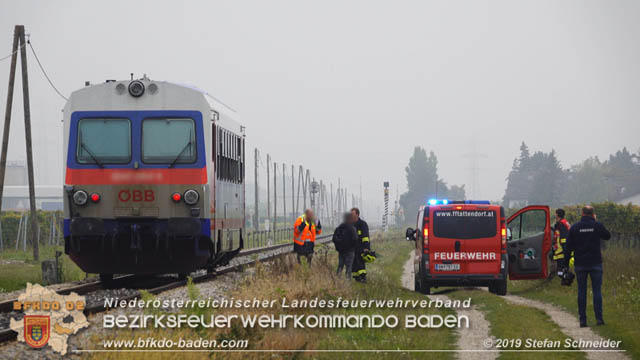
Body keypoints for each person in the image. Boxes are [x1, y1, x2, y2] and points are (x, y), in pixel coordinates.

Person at [566, 205, 611, 327]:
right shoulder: (597, 225)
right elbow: (607, 236)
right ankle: (599, 319)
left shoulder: (575, 227)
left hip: (580, 264)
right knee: (597, 291)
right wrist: (595, 222)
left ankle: (583, 320)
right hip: (595, 262)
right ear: (593, 214)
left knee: (581, 291)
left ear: (582, 214)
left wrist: (565, 265)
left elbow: (568, 247)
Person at [332, 212, 358, 278]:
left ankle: (337, 280)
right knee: (349, 267)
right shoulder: (352, 228)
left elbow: (334, 239)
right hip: (350, 251)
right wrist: (352, 247)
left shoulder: (339, 227)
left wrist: (339, 247)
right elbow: (355, 239)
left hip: (341, 251)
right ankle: (347, 282)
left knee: (340, 266)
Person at [350, 208, 370, 282]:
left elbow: (365, 237)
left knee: (360, 263)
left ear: (357, 214)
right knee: (353, 264)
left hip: (361, 248)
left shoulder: (362, 224)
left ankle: (363, 278)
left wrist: (366, 247)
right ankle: (357, 278)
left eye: (353, 214)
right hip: (352, 249)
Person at [552, 208, 571, 278]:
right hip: (562, 249)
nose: (555, 215)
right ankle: (563, 277)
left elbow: (563, 238)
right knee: (562, 265)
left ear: (558, 215)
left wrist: (564, 249)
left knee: (561, 266)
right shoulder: (563, 222)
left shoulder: (561, 224)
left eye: (555, 213)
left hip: (561, 250)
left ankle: (562, 279)